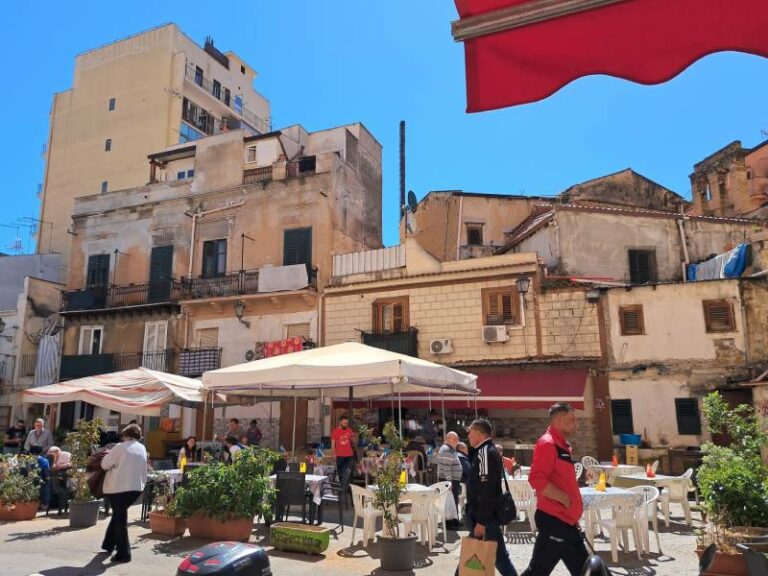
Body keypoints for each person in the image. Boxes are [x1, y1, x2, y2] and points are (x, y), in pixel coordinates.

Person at [520, 403, 587, 576]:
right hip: (555, 521)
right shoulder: (548, 443)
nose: (576, 424)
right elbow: (536, 479)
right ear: (558, 419)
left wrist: (572, 514)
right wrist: (564, 500)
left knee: (585, 570)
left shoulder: (561, 445)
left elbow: (562, 481)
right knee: (538, 571)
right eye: (571, 420)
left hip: (565, 521)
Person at [457, 418, 517, 576]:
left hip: (483, 518)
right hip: (483, 516)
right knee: (472, 555)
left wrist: (482, 522)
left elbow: (487, 490)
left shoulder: (484, 452)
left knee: (498, 559)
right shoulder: (487, 450)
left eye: (469, 432)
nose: (468, 435)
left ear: (478, 433)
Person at [100, 423, 148, 563]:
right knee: (118, 514)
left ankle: (123, 553)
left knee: (120, 519)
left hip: (119, 487)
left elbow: (104, 465)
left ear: (125, 435)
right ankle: (108, 544)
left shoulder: (120, 447)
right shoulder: (142, 448)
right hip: (136, 487)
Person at [436, 431, 463, 529]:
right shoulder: (447, 449)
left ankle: (455, 521)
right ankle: (449, 524)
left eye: (457, 439)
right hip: (448, 480)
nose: (457, 441)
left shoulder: (450, 449)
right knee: (449, 502)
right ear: (448, 439)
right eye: (455, 439)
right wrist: (449, 482)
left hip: (451, 480)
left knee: (453, 501)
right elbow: (446, 467)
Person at [330, 415, 355, 481]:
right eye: (344, 423)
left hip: (350, 455)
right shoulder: (335, 431)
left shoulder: (349, 430)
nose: (346, 425)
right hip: (340, 455)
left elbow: (354, 441)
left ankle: (349, 488)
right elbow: (333, 444)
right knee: (341, 474)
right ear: (340, 422)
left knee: (349, 473)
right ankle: (342, 488)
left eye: (347, 423)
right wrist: (334, 454)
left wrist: (353, 438)